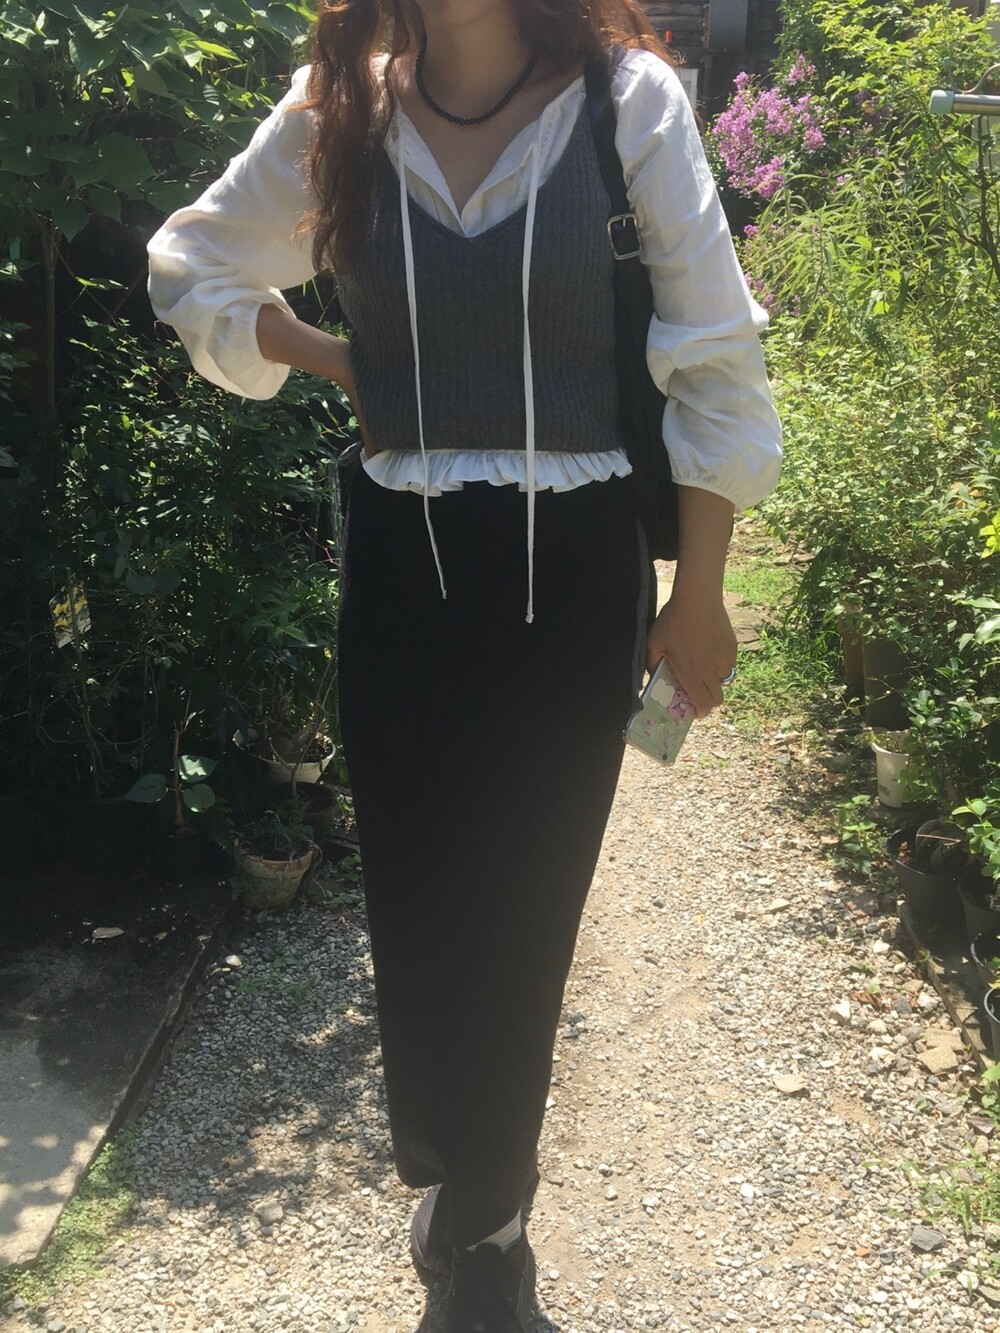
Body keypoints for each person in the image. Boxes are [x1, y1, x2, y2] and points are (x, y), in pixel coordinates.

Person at [147, 1, 782, 1327]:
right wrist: (333, 357)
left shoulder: (624, 106)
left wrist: (702, 593)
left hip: (576, 573)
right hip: (401, 572)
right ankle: (454, 1179)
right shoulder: (341, 113)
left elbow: (714, 347)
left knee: (524, 911)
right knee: (420, 905)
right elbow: (190, 261)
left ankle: (490, 1237)